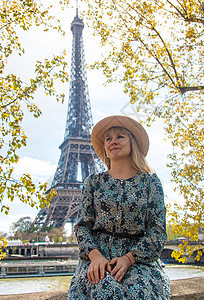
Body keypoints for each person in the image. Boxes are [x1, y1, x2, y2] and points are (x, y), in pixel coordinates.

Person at [67, 115, 170, 300]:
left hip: (139, 260)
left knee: (142, 292)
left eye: (120, 136)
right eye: (108, 138)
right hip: (99, 258)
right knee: (102, 287)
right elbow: (82, 226)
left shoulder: (150, 182)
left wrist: (129, 258)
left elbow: (158, 231)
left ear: (133, 143)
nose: (113, 141)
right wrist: (95, 256)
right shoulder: (93, 182)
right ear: (105, 148)